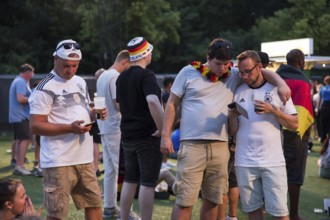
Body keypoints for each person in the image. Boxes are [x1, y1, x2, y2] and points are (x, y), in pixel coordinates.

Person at [160, 38, 291, 220]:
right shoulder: (188, 72)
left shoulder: (233, 74)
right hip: (192, 145)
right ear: (208, 57)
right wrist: (165, 135)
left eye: (226, 64)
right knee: (184, 199)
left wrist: (281, 84)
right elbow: (172, 103)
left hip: (221, 146)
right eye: (218, 64)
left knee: (213, 199)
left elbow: (261, 72)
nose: (223, 68)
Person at [29, 39, 105, 220]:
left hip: (85, 159)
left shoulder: (79, 81)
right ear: (55, 59)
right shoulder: (43, 87)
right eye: (66, 65)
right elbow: (35, 126)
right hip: (58, 161)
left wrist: (94, 114)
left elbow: (84, 109)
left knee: (94, 204)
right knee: (57, 214)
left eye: (75, 65)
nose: (70, 70)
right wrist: (69, 128)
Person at [229, 50, 298, 220]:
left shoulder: (277, 90)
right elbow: (232, 132)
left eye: (248, 71)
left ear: (259, 67)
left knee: (280, 213)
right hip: (244, 161)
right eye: (241, 72)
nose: (244, 76)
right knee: (253, 212)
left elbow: (295, 124)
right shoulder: (238, 91)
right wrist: (231, 118)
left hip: (273, 161)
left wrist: (274, 111)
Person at [116, 37, 164, 220]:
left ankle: (123, 216)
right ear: (145, 54)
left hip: (128, 135)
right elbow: (152, 100)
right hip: (147, 136)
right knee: (148, 182)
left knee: (130, 178)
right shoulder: (147, 75)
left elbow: (119, 105)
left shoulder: (122, 76)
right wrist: (162, 129)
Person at [276, 49, 314, 220]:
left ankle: (272, 208)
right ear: (301, 61)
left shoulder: (275, 77)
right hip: (293, 132)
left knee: (273, 170)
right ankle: (293, 214)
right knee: (294, 173)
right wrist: (306, 134)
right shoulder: (303, 82)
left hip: (273, 130)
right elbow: (305, 111)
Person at [96, 50, 131, 218]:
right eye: (129, 66)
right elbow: (119, 104)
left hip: (104, 126)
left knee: (111, 169)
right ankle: (126, 212)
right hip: (115, 127)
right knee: (123, 170)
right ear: (124, 62)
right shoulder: (115, 77)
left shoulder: (103, 75)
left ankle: (109, 206)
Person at [9, 64, 35, 176]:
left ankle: (18, 165)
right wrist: (34, 98)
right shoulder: (20, 82)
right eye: (32, 72)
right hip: (21, 116)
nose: (33, 75)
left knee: (20, 140)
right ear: (28, 72)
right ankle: (20, 166)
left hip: (18, 116)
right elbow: (20, 99)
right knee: (24, 139)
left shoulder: (18, 81)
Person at [217, 139, 240, 220]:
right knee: (232, 182)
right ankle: (232, 217)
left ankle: (221, 218)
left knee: (222, 182)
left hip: (227, 143)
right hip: (234, 144)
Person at [92, 68, 106, 177]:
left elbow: (99, 107)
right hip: (105, 120)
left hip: (102, 119)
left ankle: (95, 168)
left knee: (94, 144)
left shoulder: (101, 87)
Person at [318, 75, 330, 143]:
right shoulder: (322, 88)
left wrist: (318, 107)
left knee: (323, 123)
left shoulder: (322, 88)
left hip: (324, 106)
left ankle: (323, 138)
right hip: (327, 105)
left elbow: (320, 99)